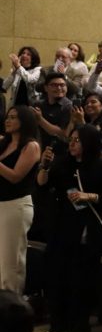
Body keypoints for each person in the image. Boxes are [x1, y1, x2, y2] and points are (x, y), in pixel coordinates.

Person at [34, 125, 102, 332]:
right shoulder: (63, 164)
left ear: (89, 143)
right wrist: (44, 166)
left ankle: (79, 331)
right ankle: (57, 328)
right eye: (71, 139)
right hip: (61, 226)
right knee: (56, 279)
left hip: (86, 230)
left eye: (77, 140)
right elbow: (42, 185)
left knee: (80, 282)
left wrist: (89, 196)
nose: (72, 143)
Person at [0, 106, 40, 294]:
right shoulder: (4, 143)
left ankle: (12, 304)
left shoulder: (31, 146)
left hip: (15, 206)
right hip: (1, 203)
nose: (8, 121)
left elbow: (15, 176)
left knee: (11, 260)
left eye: (13, 117)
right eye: (8, 117)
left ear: (25, 121)